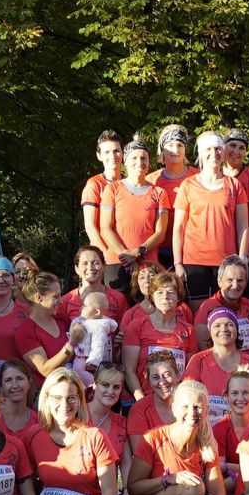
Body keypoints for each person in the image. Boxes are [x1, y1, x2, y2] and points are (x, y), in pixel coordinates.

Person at [172, 131, 249, 301]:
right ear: (200, 152)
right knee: (197, 312)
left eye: (218, 148)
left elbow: (243, 225)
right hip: (194, 260)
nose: (213, 153)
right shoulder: (188, 185)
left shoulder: (234, 185)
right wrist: (178, 263)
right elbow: (178, 228)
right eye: (208, 149)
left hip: (226, 261)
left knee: (224, 312)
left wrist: (242, 259)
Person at [100, 139, 173, 282]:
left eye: (143, 158)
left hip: (148, 265)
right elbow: (105, 228)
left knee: (147, 304)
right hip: (117, 262)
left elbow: (160, 233)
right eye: (134, 158)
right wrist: (125, 255)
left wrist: (137, 253)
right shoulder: (112, 189)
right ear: (125, 162)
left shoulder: (159, 193)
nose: (139, 162)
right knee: (117, 303)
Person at [122, 269, 194, 400]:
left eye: (171, 292)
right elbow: (128, 370)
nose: (165, 297)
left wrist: (179, 399)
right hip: (143, 399)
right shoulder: (137, 326)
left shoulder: (189, 330)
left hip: (176, 400)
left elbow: (191, 371)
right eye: (159, 292)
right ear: (152, 297)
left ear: (179, 297)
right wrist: (141, 400)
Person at [185, 307, 249, 420]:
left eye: (229, 324)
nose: (224, 329)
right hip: (207, 433)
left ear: (237, 329)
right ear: (210, 331)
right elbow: (188, 400)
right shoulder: (198, 361)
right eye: (217, 325)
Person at [82, 130, 127, 286]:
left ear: (123, 153)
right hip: (105, 258)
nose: (112, 156)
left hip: (129, 254)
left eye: (116, 151)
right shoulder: (94, 184)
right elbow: (90, 226)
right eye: (107, 152)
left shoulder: (131, 184)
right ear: (99, 155)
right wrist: (105, 255)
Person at [15, 271, 77, 385]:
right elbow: (45, 369)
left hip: (73, 391)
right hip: (48, 396)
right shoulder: (26, 332)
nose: (61, 301)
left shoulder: (62, 319)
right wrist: (71, 344)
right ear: (39, 297)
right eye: (56, 297)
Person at [191, 255, 249, 352]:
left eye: (240, 280)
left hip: (246, 364)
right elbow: (204, 349)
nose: (235, 285)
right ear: (219, 282)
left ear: (246, 282)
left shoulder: (247, 304)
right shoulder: (207, 307)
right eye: (230, 280)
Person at [221, 129, 249, 259]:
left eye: (242, 148)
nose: (236, 151)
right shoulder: (213, 173)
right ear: (223, 147)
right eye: (232, 145)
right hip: (219, 245)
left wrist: (244, 253)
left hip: (243, 247)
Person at [69, 291, 119, 387]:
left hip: (87, 357)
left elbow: (98, 345)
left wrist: (93, 361)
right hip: (82, 354)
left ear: (96, 312)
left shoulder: (98, 326)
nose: (81, 308)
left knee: (77, 371)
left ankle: (93, 383)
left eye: (85, 306)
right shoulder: (86, 320)